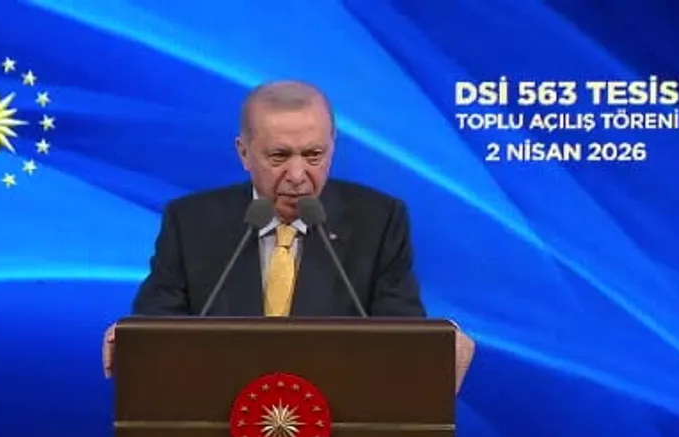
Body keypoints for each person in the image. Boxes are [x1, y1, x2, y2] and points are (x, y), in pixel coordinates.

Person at [102, 80, 475, 392]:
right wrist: (137, 339)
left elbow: (402, 336)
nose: (298, 176)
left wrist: (438, 341)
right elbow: (158, 323)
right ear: (244, 153)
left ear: (333, 146)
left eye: (314, 155)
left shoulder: (377, 222)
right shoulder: (191, 222)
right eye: (279, 156)